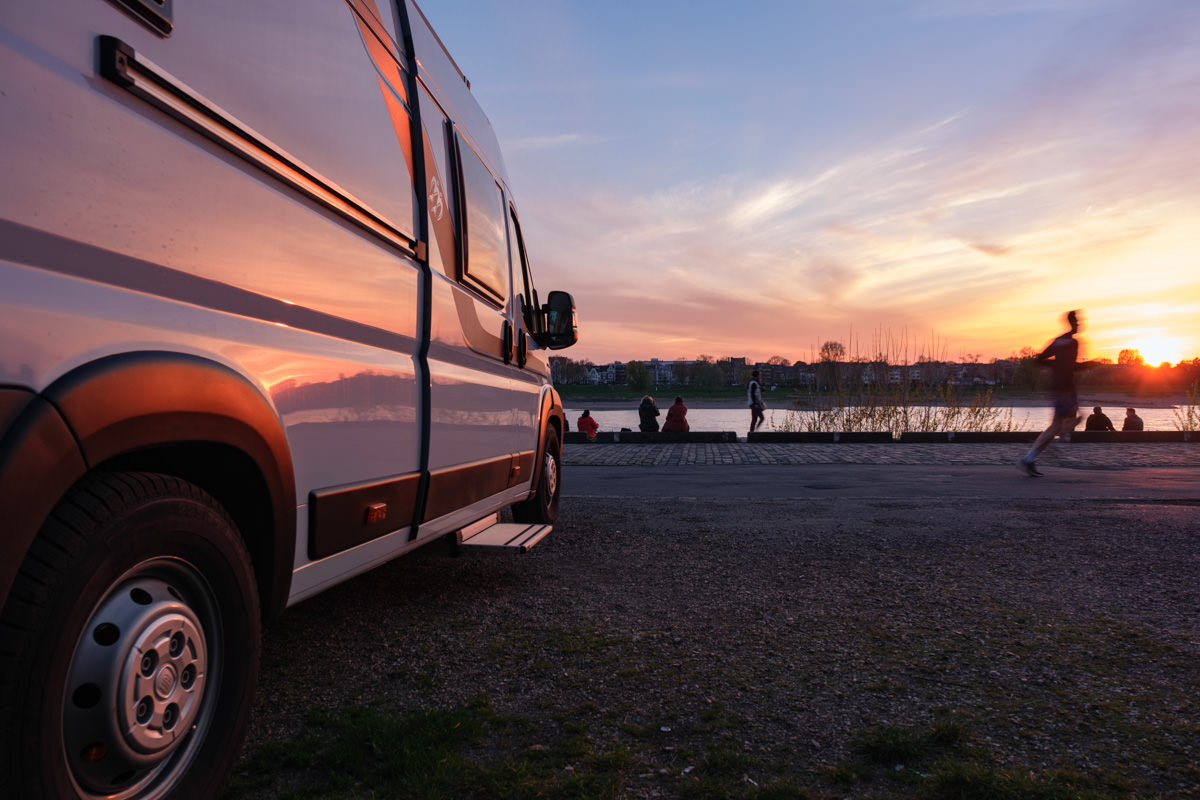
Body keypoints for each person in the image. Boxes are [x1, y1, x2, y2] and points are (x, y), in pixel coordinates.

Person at [1019, 310, 1084, 477]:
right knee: (1063, 424)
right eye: (1078, 321)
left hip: (1059, 387)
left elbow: (1039, 359)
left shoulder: (1058, 341)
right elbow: (1069, 366)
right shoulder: (1072, 343)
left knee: (1069, 419)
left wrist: (1056, 366)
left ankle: (1036, 453)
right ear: (1072, 323)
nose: (1080, 324)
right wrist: (1087, 365)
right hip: (1065, 388)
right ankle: (1033, 456)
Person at [747, 370, 765, 434]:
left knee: (755, 419)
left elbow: (756, 392)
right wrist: (755, 403)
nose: (760, 376)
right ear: (757, 375)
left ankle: (753, 432)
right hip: (754, 404)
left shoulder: (754, 382)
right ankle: (753, 432)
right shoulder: (754, 383)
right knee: (758, 418)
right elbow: (752, 394)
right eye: (759, 375)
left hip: (754, 403)